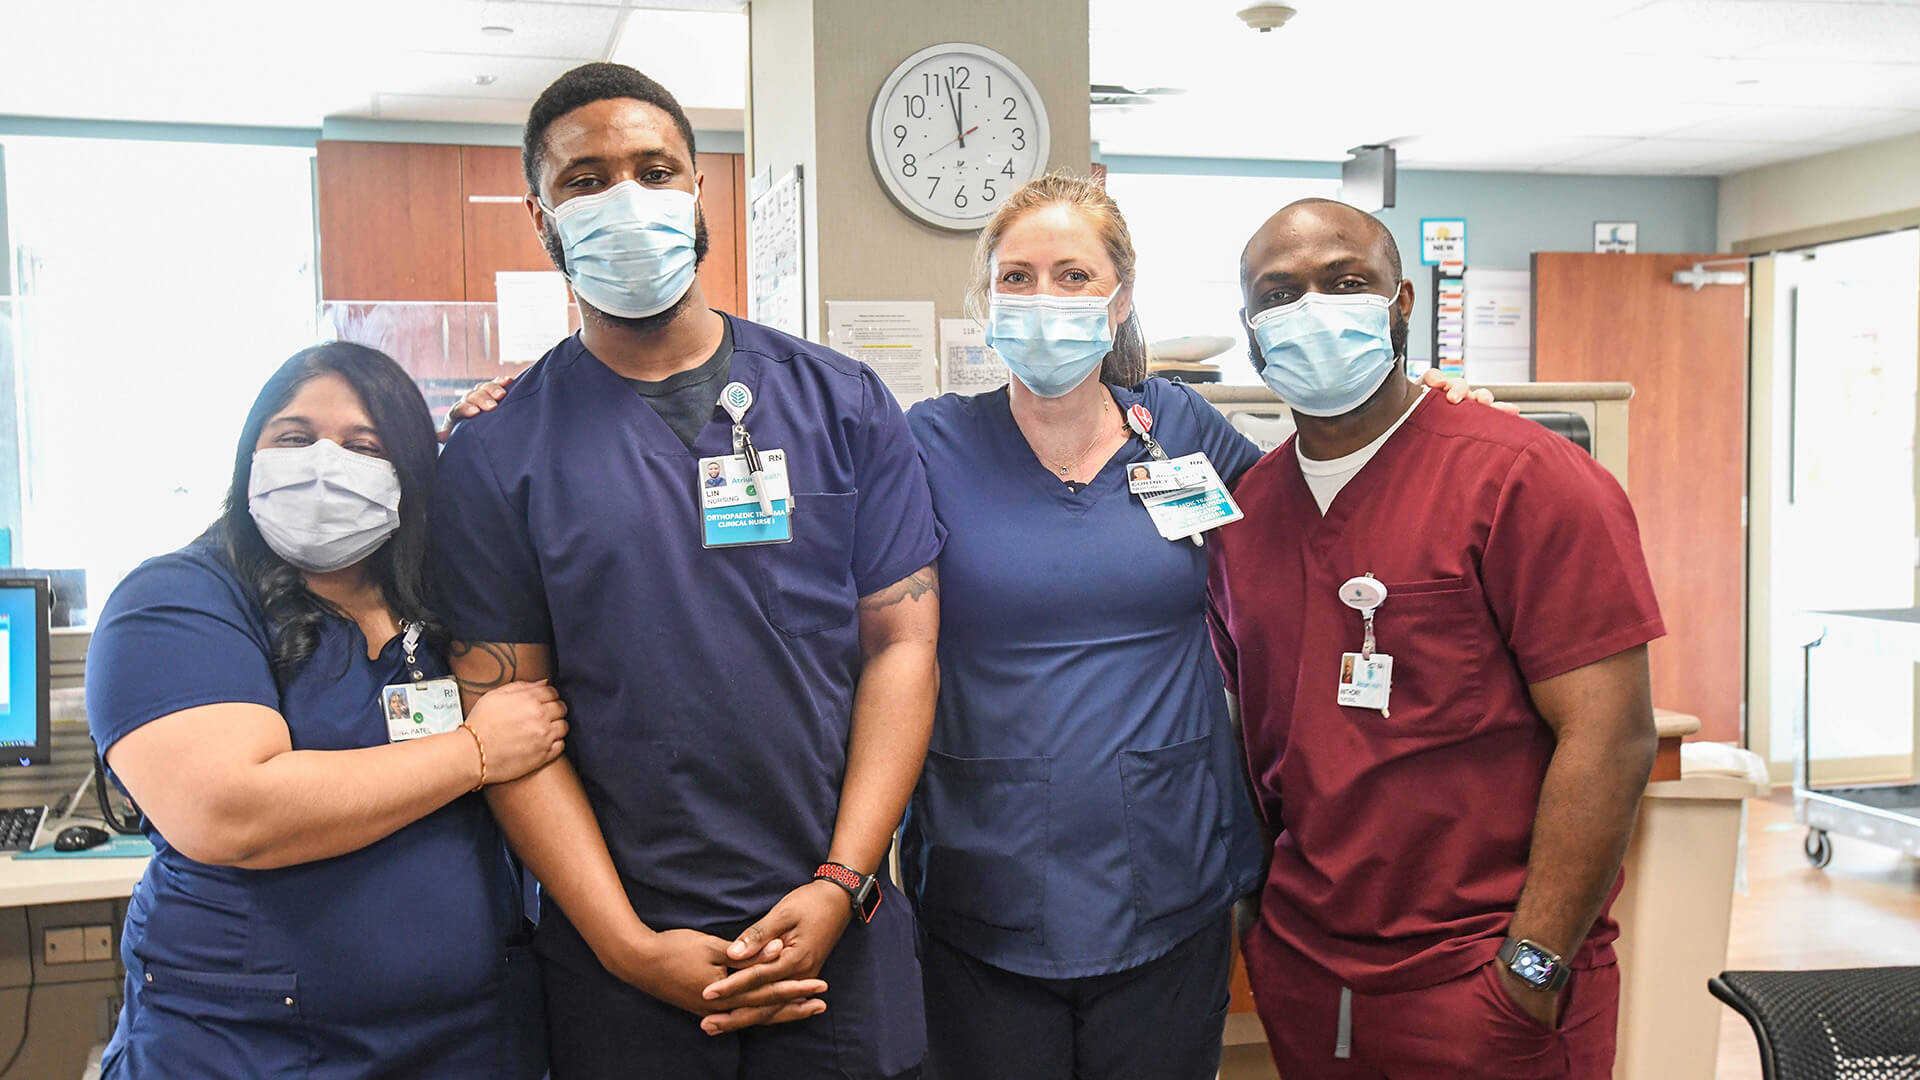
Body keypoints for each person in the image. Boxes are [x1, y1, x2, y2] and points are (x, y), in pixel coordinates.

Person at [899, 174, 1489, 1080]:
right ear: (986, 298)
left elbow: (1324, 509)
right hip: (986, 867)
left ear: (1120, 295)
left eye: (1072, 274)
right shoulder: (928, 443)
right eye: (1016, 277)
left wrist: (1422, 419)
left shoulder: (1174, 427)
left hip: (1165, 862)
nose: (1043, 300)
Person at [426, 62, 942, 1079]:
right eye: (586, 180)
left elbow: (903, 645)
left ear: (700, 193)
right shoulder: (498, 453)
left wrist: (840, 881)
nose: (627, 197)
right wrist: (623, 941)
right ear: (542, 220)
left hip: (833, 923)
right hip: (625, 950)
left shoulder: (840, 403)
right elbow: (508, 724)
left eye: (655, 169)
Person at [1209, 198, 1663, 1078]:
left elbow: (1611, 735)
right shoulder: (1247, 512)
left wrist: (1531, 969)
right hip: (1309, 972)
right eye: (1280, 293)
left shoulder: (1527, 480)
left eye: (1346, 283)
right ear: (1252, 329)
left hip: (1484, 979)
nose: (1313, 311)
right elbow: (1257, 743)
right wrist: (1264, 930)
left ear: (1401, 301)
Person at [85, 342, 569, 1079]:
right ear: (252, 452)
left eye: (364, 445)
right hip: (248, 1044)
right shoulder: (178, 601)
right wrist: (474, 753)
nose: (323, 464)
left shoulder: (440, 600)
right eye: (294, 437)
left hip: (469, 1038)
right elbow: (230, 810)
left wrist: (483, 453)